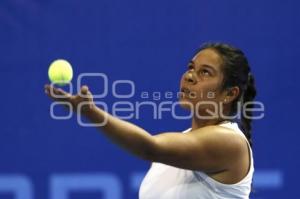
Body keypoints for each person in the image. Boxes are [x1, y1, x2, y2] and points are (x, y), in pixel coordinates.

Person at [45, 42, 257, 199]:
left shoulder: (230, 143)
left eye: (205, 72)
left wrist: (92, 113)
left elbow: (150, 147)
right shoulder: (178, 148)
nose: (190, 76)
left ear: (230, 94)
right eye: (191, 67)